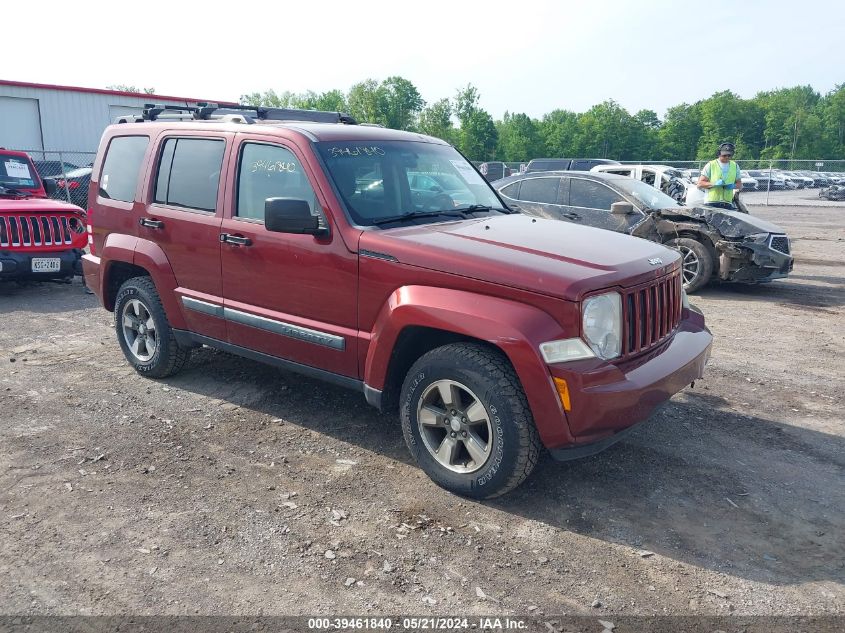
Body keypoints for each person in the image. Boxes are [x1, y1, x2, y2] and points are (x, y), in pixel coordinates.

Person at [698, 142, 742, 209]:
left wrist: (733, 186)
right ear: (719, 154)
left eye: (729, 155)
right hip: (711, 203)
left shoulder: (735, 166)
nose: (727, 157)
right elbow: (700, 183)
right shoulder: (711, 165)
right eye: (724, 155)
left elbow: (739, 184)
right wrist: (714, 184)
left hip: (727, 203)